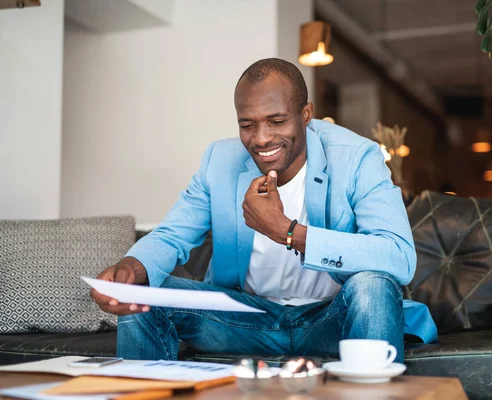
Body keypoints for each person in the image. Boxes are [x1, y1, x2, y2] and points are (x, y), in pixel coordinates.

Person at [91, 58, 437, 362]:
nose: (260, 138)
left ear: (306, 115)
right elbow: (172, 235)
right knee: (145, 292)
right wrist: (131, 269)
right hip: (244, 319)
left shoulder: (357, 158)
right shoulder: (219, 161)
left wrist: (288, 231)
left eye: (276, 121)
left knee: (372, 284)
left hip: (330, 319)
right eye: (247, 124)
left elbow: (398, 257)